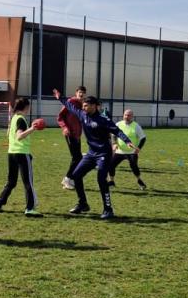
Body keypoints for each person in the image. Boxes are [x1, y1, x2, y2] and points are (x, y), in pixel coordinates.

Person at [52, 88, 137, 219]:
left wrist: (127, 141)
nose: (83, 107)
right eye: (83, 105)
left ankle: (108, 209)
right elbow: (69, 106)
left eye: (86, 105)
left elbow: (116, 130)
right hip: (91, 153)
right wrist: (60, 97)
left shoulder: (103, 119)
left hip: (104, 153)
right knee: (76, 176)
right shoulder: (82, 114)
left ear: (93, 106)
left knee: (101, 179)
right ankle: (83, 204)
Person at [0, 97, 43, 216]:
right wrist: (32, 128)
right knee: (28, 182)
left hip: (11, 153)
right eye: (29, 107)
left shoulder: (14, 118)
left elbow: (9, 134)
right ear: (26, 107)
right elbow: (19, 136)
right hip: (21, 153)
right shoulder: (21, 119)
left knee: (11, 182)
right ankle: (30, 208)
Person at [109, 108, 148, 190]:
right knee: (111, 165)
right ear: (123, 115)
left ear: (132, 116)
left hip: (132, 152)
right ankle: (111, 181)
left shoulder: (136, 126)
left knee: (134, 167)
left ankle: (139, 180)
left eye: (129, 115)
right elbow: (113, 134)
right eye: (125, 115)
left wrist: (138, 148)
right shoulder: (118, 124)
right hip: (119, 151)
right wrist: (114, 143)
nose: (127, 117)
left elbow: (143, 138)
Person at [56, 85, 87, 190]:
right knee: (76, 157)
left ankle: (70, 179)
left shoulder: (83, 105)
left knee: (78, 158)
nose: (81, 94)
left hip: (77, 134)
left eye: (83, 93)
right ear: (76, 93)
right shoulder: (70, 102)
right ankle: (68, 179)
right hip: (69, 134)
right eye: (80, 92)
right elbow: (60, 117)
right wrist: (64, 127)